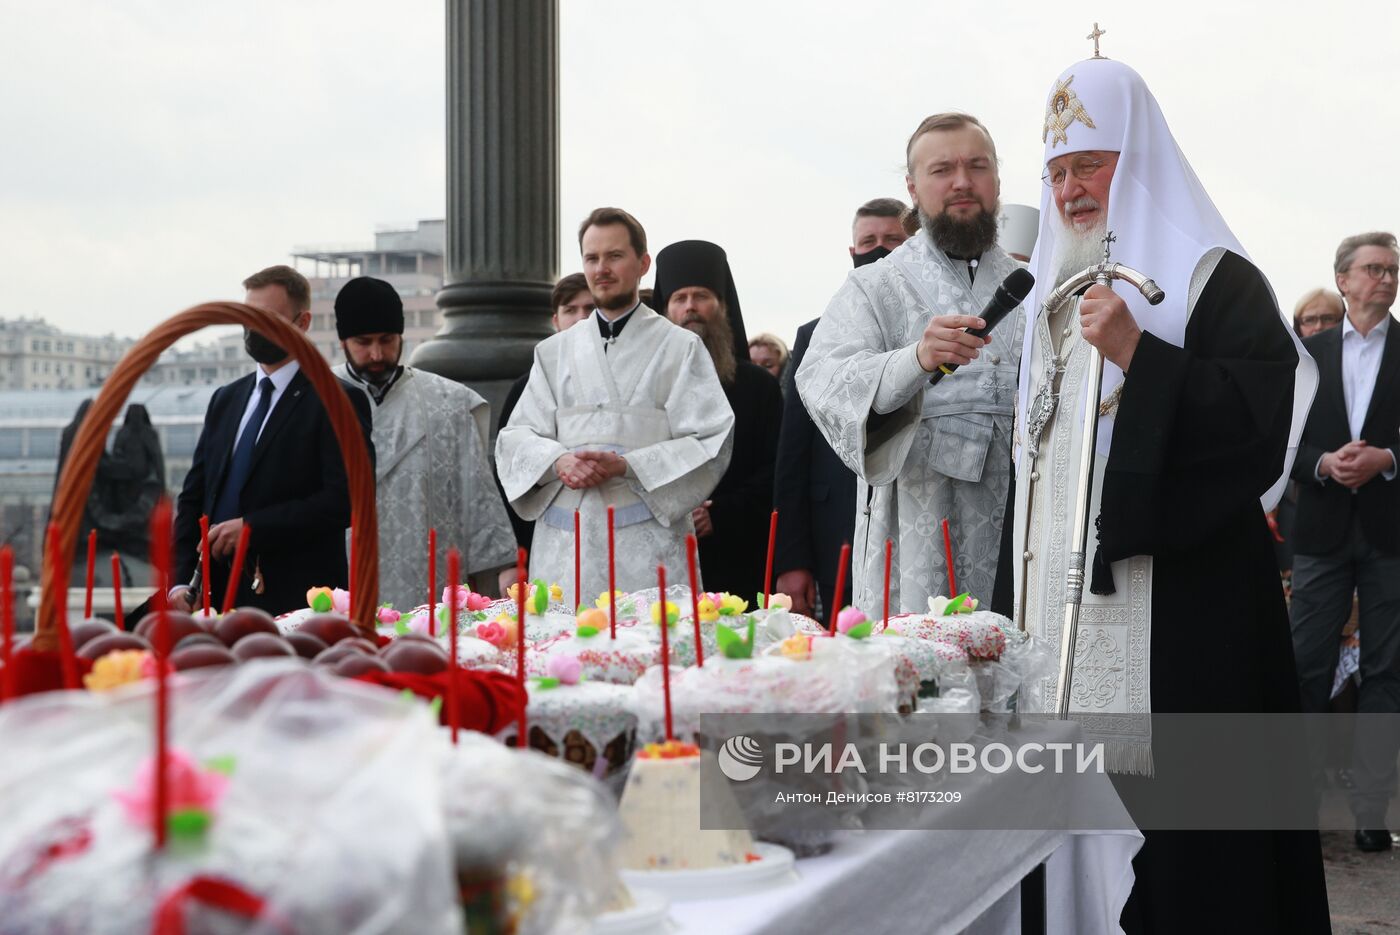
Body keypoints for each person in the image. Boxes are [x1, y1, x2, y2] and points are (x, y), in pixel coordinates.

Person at [1002, 56, 1327, 931]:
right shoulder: (1045, 296)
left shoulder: (1206, 275)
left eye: (1090, 166)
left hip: (1180, 615)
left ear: (1135, 160)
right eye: (1058, 172)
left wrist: (1145, 360)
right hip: (1056, 625)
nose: (1071, 190)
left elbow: (1268, 413)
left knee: (1187, 858)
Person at [797, 114, 1025, 614]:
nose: (962, 181)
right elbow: (821, 379)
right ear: (913, 188)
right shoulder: (874, 286)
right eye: (942, 169)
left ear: (997, 181)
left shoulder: (1036, 282)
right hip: (918, 516)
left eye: (977, 166)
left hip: (1024, 520)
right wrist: (915, 360)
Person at [496, 209, 733, 597]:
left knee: (652, 652)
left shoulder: (680, 347)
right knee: (562, 653)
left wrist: (627, 465)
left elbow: (710, 439)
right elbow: (515, 438)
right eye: (592, 258)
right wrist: (559, 460)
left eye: (614, 256)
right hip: (564, 548)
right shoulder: (553, 352)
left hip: (647, 547)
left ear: (642, 263)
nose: (601, 268)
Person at [171, 265, 373, 615]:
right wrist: (178, 582)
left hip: (296, 602)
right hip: (214, 599)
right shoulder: (226, 399)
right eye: (247, 317)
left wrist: (253, 529)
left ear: (302, 323)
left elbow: (346, 500)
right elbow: (194, 497)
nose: (254, 329)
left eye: (267, 318)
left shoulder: (335, 399)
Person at [1290, 232, 1400, 852]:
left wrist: (1387, 456)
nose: (1385, 279)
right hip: (1323, 530)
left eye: (1392, 270)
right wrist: (1324, 463)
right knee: (1307, 667)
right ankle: (1298, 805)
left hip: (1390, 534)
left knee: (1387, 672)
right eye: (1374, 269)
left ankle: (1370, 812)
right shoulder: (1309, 355)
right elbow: (1283, 441)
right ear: (1344, 280)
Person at [332, 276, 516, 607]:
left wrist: (501, 567)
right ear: (343, 340)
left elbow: (478, 495)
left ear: (401, 335)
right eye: (363, 342)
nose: (376, 353)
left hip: (430, 584)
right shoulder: (318, 396)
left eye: (387, 340)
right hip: (341, 576)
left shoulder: (450, 401)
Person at [774, 199, 910, 617]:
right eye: (868, 241)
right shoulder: (816, 335)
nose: (879, 249)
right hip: (835, 533)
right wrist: (791, 559)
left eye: (892, 240)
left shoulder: (935, 327)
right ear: (852, 253)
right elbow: (793, 454)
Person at [653, 240, 782, 600]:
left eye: (702, 296)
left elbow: (777, 471)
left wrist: (721, 514)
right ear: (664, 312)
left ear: (723, 307)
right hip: (660, 560)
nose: (690, 307)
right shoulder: (647, 388)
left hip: (740, 559)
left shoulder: (758, 386)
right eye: (679, 299)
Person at [497, 273, 595, 557]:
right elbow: (508, 467)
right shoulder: (525, 386)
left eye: (589, 309)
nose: (580, 318)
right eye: (570, 310)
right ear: (556, 321)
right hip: (549, 534)